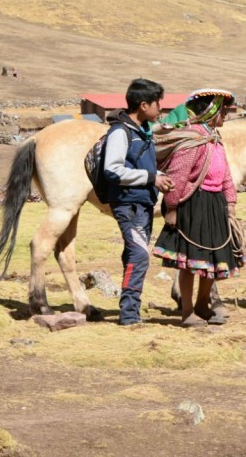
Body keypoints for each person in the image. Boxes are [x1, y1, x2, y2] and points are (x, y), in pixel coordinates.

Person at [152, 88, 246, 328]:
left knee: (213, 262)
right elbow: (178, 175)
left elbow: (225, 174)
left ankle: (203, 304)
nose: (226, 115)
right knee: (190, 263)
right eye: (223, 111)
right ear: (210, 111)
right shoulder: (193, 140)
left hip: (215, 204)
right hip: (195, 204)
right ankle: (187, 311)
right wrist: (172, 207)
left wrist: (231, 202)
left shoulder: (214, 139)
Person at [104, 78, 174, 326]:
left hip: (141, 204)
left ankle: (131, 310)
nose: (161, 110)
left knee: (133, 255)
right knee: (140, 255)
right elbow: (112, 170)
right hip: (127, 205)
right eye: (158, 104)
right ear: (144, 105)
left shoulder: (140, 133)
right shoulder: (120, 133)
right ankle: (129, 314)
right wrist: (151, 178)